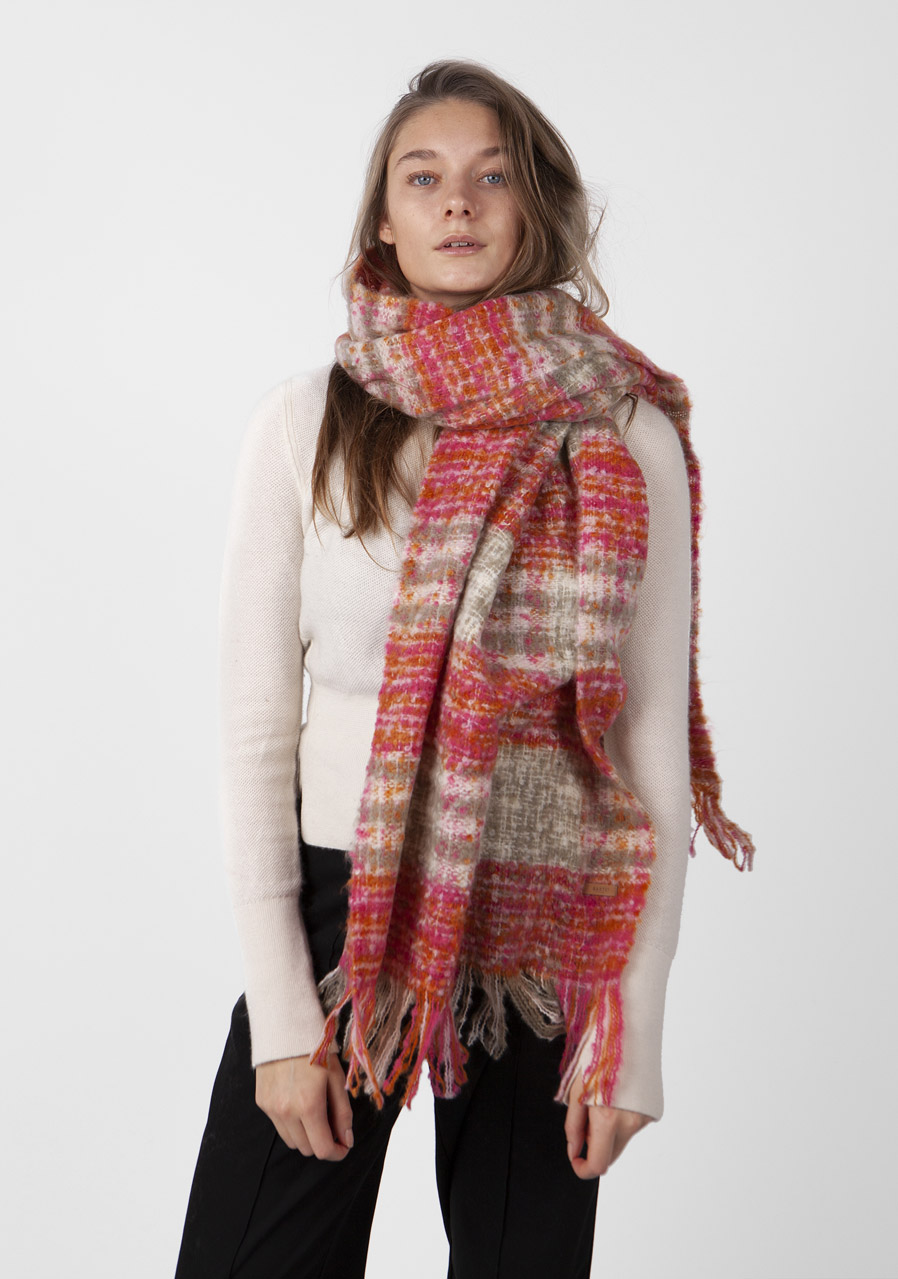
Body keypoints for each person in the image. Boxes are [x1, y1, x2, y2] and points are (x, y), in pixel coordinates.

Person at [175, 59, 753, 1279]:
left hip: (543, 924)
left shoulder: (623, 430)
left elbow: (646, 743)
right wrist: (280, 1012)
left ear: (536, 204)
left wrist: (632, 1033)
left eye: (492, 177)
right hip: (344, 909)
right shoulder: (305, 421)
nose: (457, 202)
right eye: (423, 177)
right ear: (383, 218)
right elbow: (253, 731)